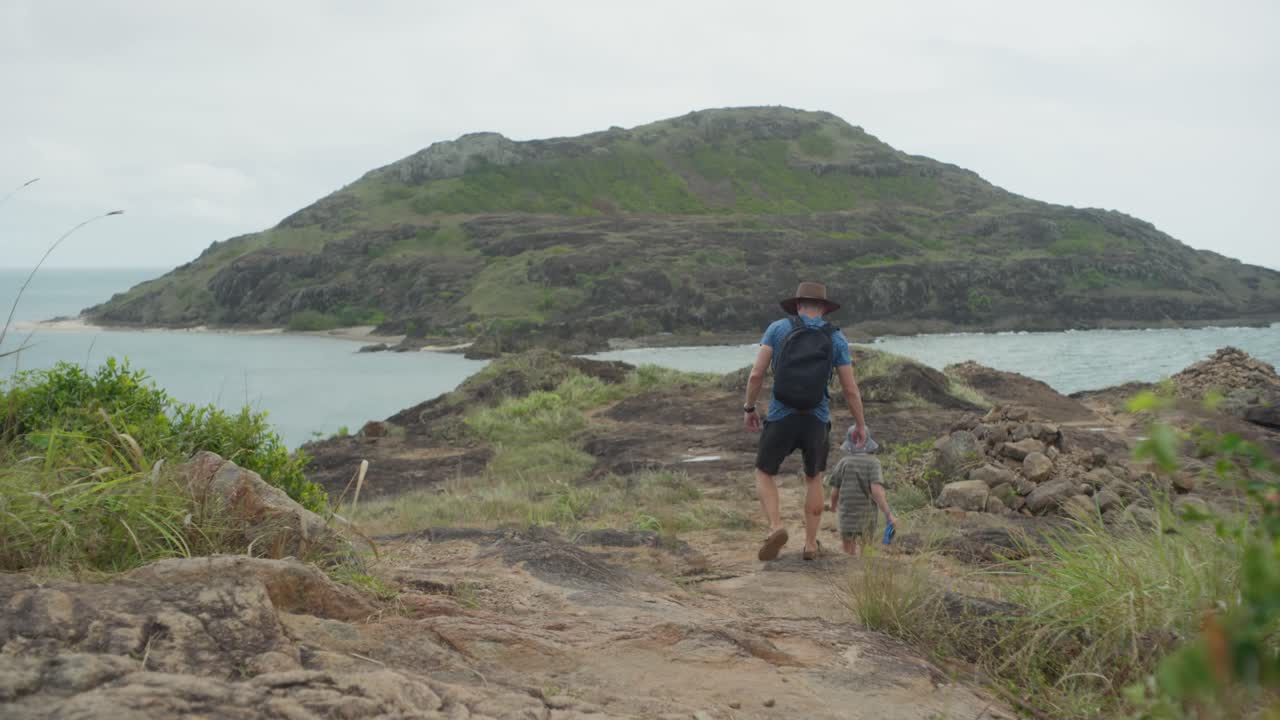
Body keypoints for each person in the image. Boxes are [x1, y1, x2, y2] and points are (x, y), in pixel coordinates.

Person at [743, 281, 867, 561]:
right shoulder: (835, 338)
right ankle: (811, 545)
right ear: (823, 308)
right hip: (816, 417)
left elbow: (755, 375)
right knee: (814, 477)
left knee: (764, 472)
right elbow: (850, 389)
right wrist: (860, 425)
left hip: (780, 415)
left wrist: (750, 407)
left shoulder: (778, 329)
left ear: (798, 305)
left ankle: (776, 527)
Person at [826, 424, 898, 557]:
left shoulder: (843, 462)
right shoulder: (874, 463)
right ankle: (864, 571)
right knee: (867, 548)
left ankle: (849, 572)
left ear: (849, 443)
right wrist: (888, 514)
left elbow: (835, 491)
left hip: (847, 514)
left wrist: (833, 506)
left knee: (848, 550)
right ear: (868, 441)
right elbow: (877, 491)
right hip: (867, 515)